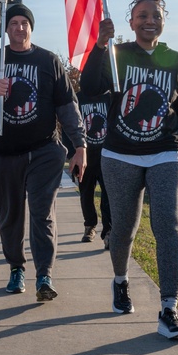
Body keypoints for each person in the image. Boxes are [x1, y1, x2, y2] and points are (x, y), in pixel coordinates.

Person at [80, 0, 178, 340]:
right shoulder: (117, 54)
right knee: (124, 227)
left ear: (164, 21)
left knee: (167, 224)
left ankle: (169, 308)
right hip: (120, 154)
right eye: (142, 16)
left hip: (167, 151)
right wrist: (99, 46)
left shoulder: (176, 61)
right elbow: (89, 88)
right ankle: (121, 281)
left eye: (156, 15)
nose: (149, 20)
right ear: (132, 22)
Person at [0, 2, 86, 301]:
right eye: (13, 23)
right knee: (10, 215)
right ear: (6, 29)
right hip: (3, 153)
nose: (19, 28)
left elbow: (67, 107)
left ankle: (44, 276)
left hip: (43, 151)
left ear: (31, 27)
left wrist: (80, 145)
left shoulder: (48, 61)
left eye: (24, 23)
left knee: (42, 213)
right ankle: (16, 269)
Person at [77, 92, 112, 248]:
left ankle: (108, 231)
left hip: (107, 156)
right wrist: (74, 153)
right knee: (86, 195)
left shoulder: (110, 97)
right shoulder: (78, 97)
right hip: (85, 158)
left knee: (108, 196)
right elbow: (68, 123)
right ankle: (90, 226)